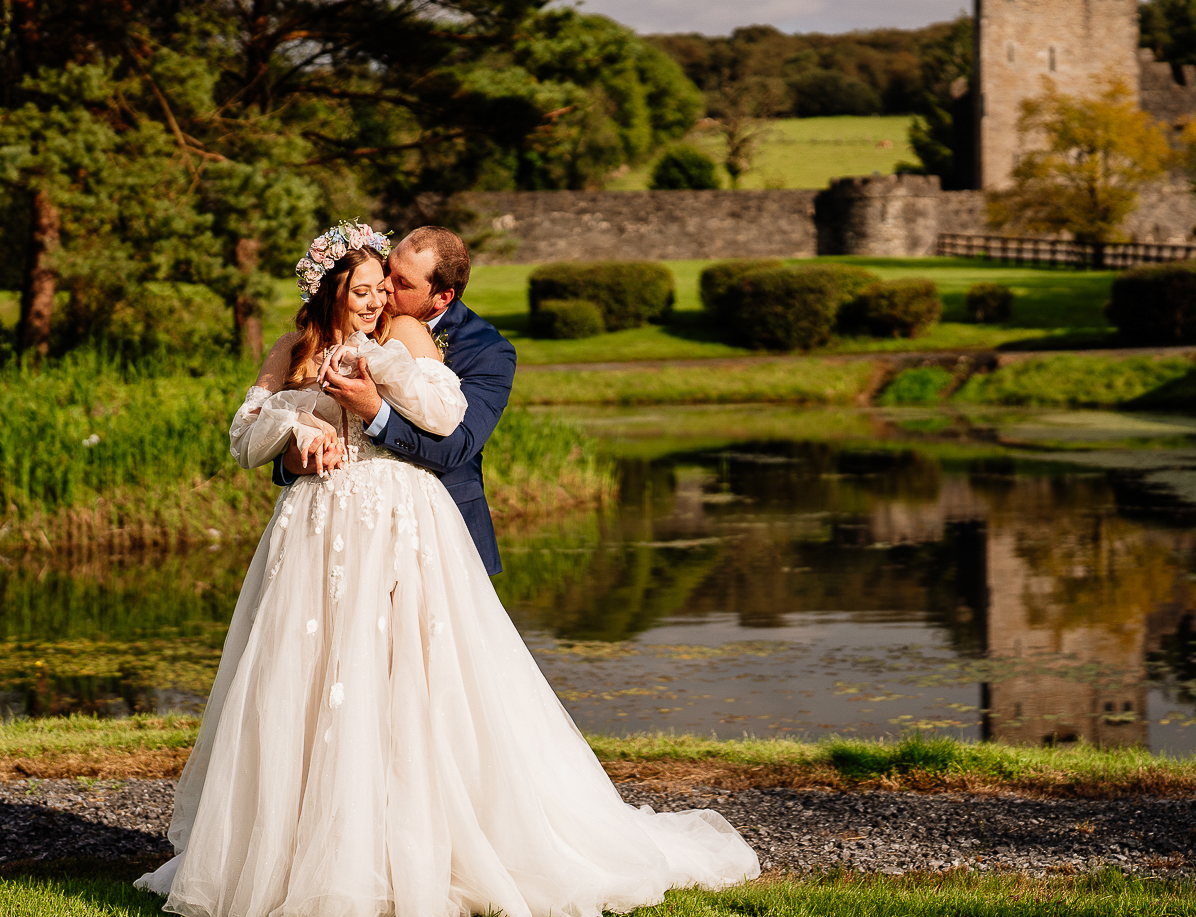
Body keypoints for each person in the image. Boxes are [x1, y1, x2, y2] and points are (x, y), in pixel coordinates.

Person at [136, 222, 758, 916]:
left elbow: (451, 430)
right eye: (368, 287)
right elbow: (249, 437)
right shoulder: (293, 348)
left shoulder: (431, 341)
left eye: (392, 286)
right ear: (328, 288)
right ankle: (303, 852)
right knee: (310, 684)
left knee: (418, 694)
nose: (381, 299)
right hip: (315, 536)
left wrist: (372, 398)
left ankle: (429, 848)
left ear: (441, 292)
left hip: (405, 529)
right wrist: (294, 438)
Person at [278, 226, 512, 574]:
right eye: (389, 269)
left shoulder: (487, 351)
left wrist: (373, 409)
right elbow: (294, 429)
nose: (385, 285)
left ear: (443, 297)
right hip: (345, 535)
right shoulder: (344, 329)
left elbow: (456, 447)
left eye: (402, 283)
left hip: (445, 539)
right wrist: (296, 459)